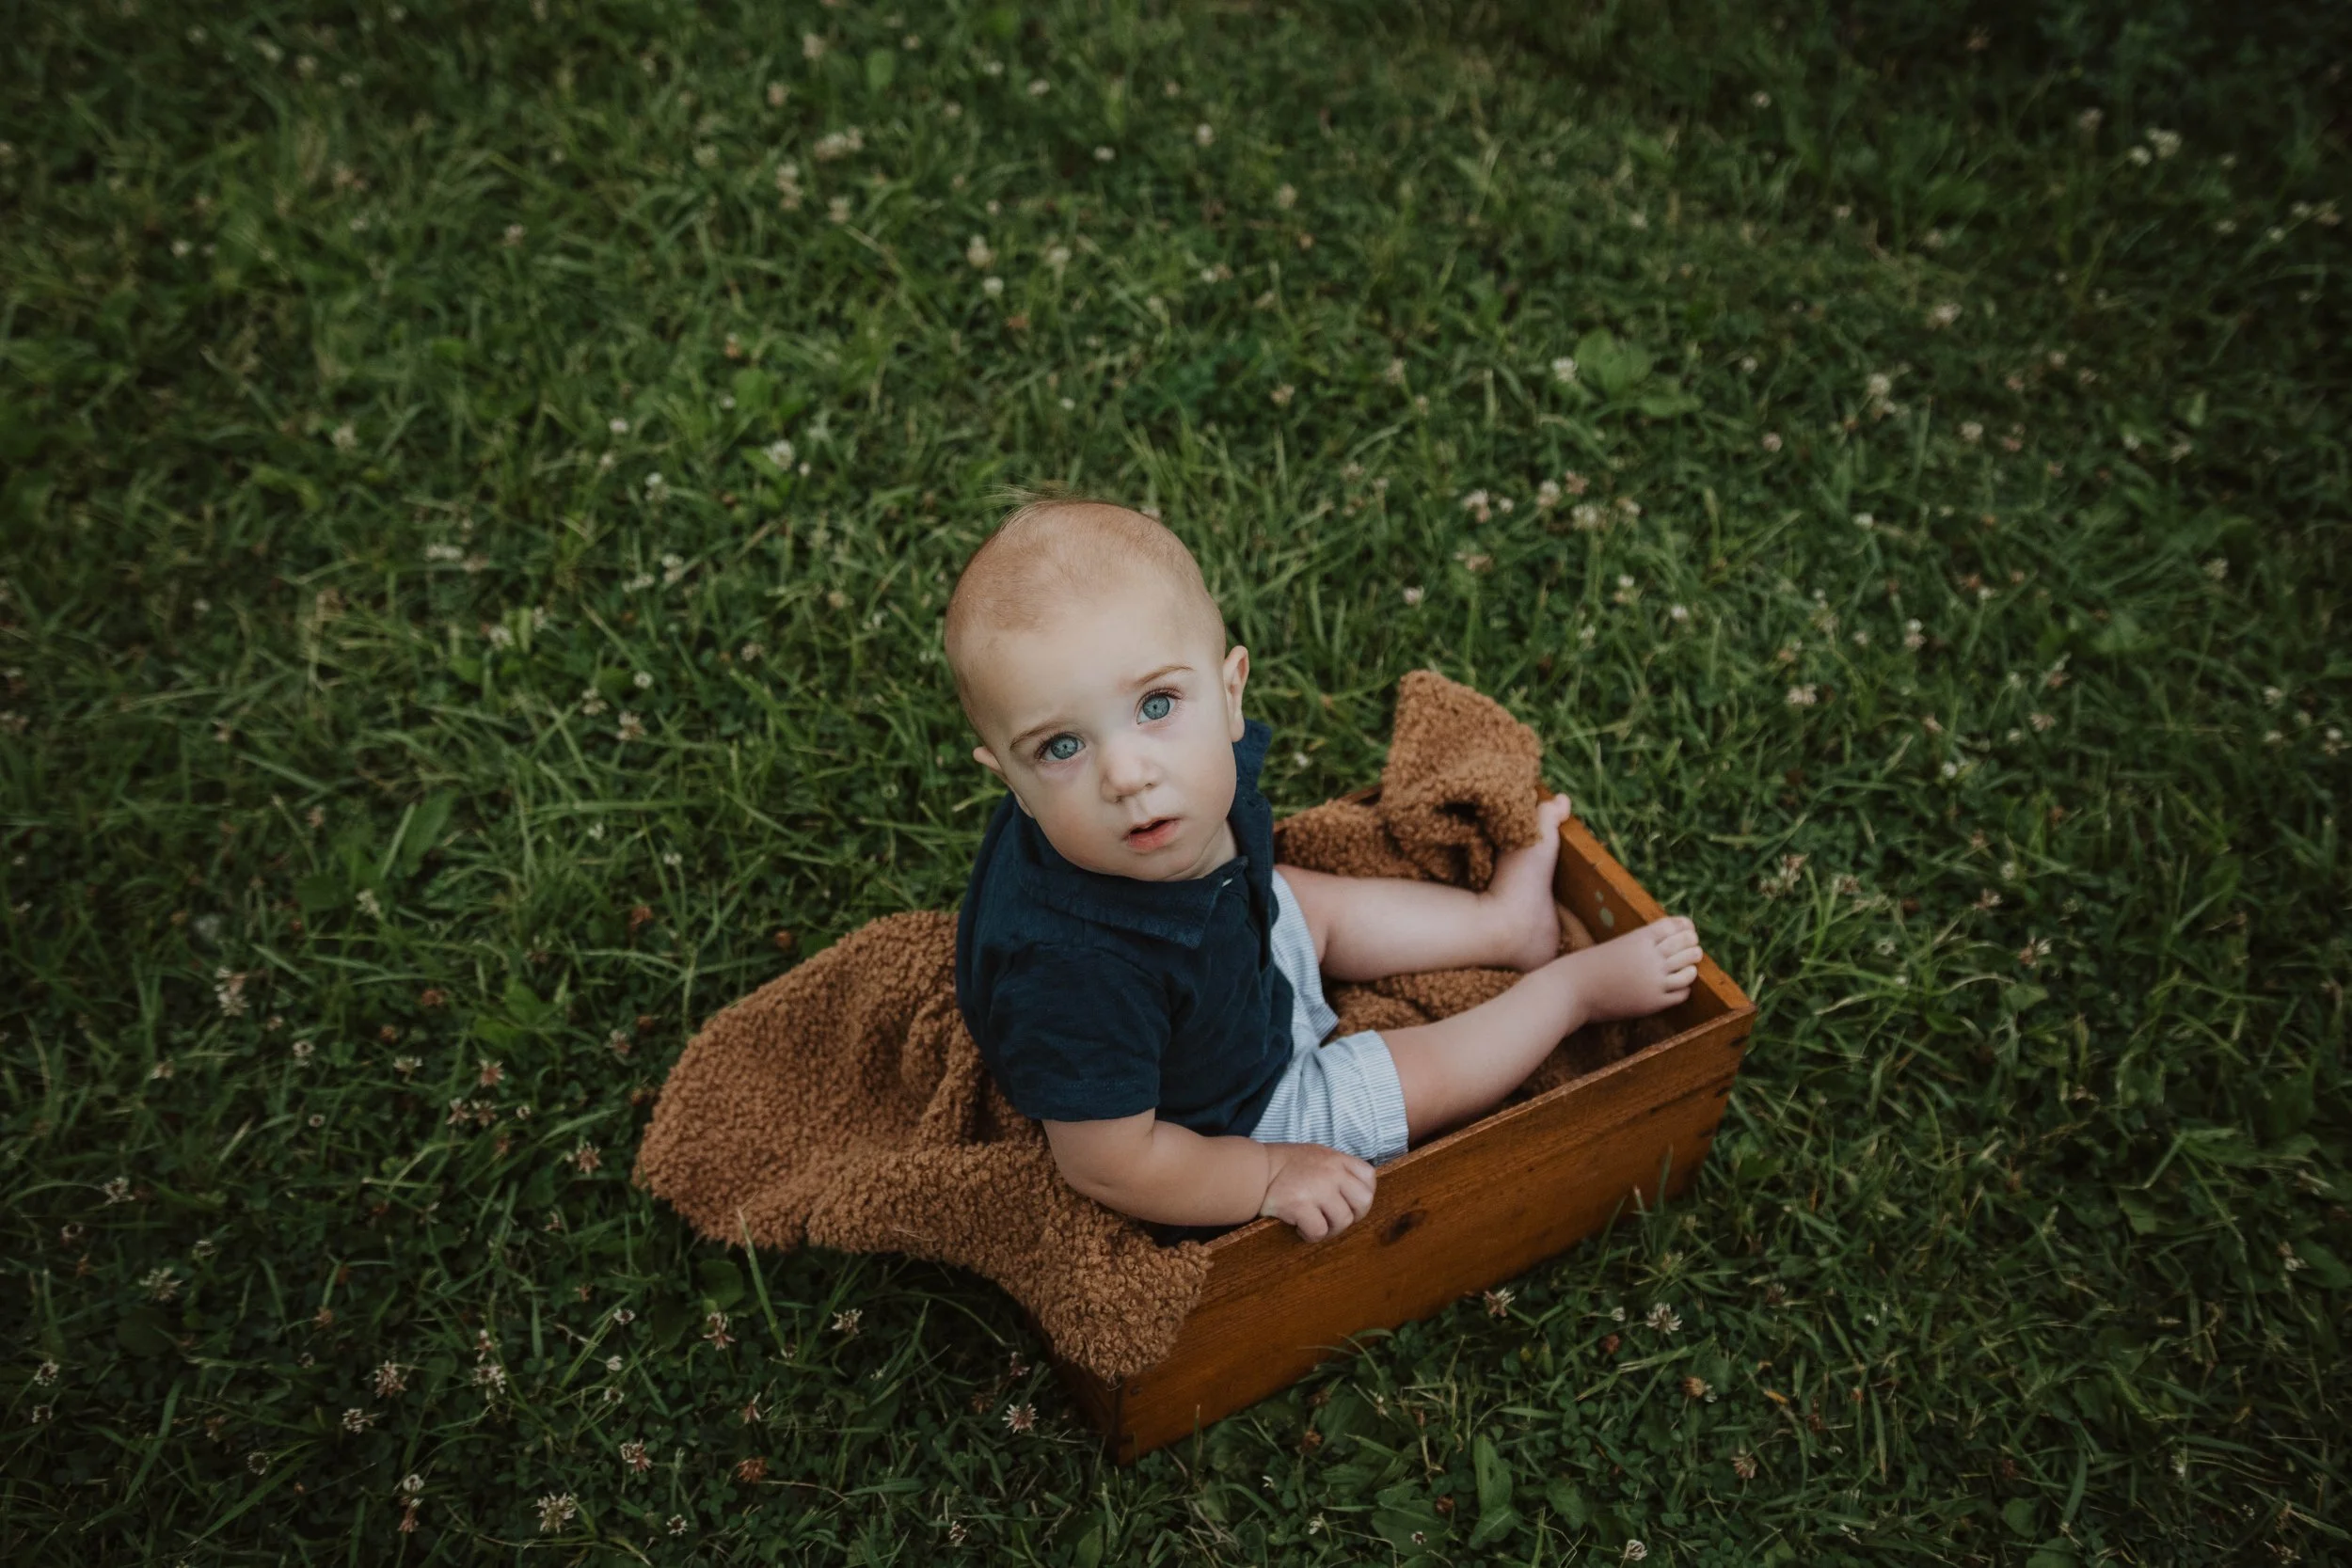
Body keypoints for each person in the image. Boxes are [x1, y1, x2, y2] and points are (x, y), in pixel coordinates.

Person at [947, 499, 1702, 1242]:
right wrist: (1269, 1172)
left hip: (1234, 971)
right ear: (1009, 775)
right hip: (1228, 1116)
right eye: (1061, 747)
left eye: (1156, 703)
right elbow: (1110, 1166)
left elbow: (1263, 896)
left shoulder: (1168, 809)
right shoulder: (1072, 976)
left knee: (1305, 900)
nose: (1127, 772)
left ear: (1230, 690)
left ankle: (1502, 925)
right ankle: (1567, 992)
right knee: (1409, 1075)